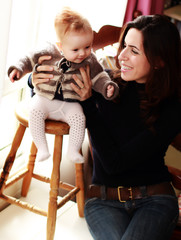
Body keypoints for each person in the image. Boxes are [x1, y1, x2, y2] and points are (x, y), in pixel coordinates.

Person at [30, 15, 181, 240]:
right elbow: (52, 98)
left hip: (155, 200)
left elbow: (114, 164)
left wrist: (90, 106)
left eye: (134, 51)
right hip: (102, 201)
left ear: (159, 60)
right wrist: (34, 81)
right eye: (124, 46)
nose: (121, 56)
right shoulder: (106, 85)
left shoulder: (172, 109)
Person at [8, 7, 119, 163]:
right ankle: (42, 148)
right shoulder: (48, 50)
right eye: (75, 49)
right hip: (45, 100)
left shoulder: (90, 59)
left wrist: (107, 86)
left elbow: (100, 76)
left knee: (79, 119)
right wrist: (18, 69)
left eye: (87, 46)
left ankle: (73, 151)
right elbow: (29, 58)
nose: (83, 53)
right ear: (60, 46)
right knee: (35, 112)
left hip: (70, 104)